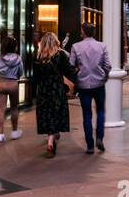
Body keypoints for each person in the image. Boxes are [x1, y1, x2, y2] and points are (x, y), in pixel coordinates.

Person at [70, 22, 112, 154]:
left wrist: (77, 73)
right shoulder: (102, 46)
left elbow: (71, 65)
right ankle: (99, 137)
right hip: (99, 84)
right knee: (100, 111)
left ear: (83, 32)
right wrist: (104, 77)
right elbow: (108, 65)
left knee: (86, 114)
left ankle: (89, 145)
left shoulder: (76, 47)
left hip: (83, 85)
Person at [33, 32, 77, 157]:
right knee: (55, 113)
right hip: (56, 89)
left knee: (47, 114)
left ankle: (53, 135)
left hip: (43, 91)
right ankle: (50, 143)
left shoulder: (38, 57)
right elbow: (69, 71)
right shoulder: (60, 55)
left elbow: (35, 77)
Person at [0, 35, 24, 143]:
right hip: (13, 84)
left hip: (2, 84)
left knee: (1, 109)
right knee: (14, 108)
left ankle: (0, 135)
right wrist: (15, 76)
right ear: (14, 47)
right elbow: (21, 72)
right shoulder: (18, 58)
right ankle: (14, 132)